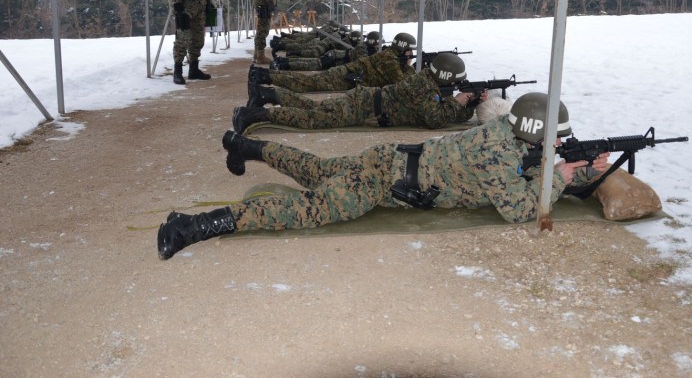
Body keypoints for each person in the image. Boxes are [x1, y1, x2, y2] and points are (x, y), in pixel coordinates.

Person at [156, 93, 610, 260]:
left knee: (313, 168)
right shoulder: (497, 151)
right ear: (534, 135)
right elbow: (518, 210)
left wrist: (573, 169)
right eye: (553, 139)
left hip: (386, 161)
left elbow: (529, 170)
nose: (556, 145)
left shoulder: (505, 133)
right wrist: (561, 176)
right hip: (381, 183)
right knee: (311, 210)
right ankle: (193, 226)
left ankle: (242, 145)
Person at [233, 53, 484, 132]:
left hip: (367, 102)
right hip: (364, 105)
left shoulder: (431, 84)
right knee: (314, 119)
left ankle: (267, 95)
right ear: (447, 77)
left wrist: (469, 105)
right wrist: (459, 102)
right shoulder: (423, 86)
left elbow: (445, 113)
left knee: (313, 108)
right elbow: (434, 119)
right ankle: (253, 114)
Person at [248, 32, 416, 96]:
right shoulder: (390, 60)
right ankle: (263, 75)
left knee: (308, 81)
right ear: (402, 49)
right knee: (307, 83)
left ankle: (265, 76)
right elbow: (400, 83)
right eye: (409, 51)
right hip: (345, 76)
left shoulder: (389, 56)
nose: (411, 54)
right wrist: (409, 67)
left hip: (347, 74)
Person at [272, 30, 368, 71]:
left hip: (328, 52)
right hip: (328, 54)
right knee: (306, 55)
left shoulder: (343, 38)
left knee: (304, 51)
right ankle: (282, 54)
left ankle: (284, 58)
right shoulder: (345, 42)